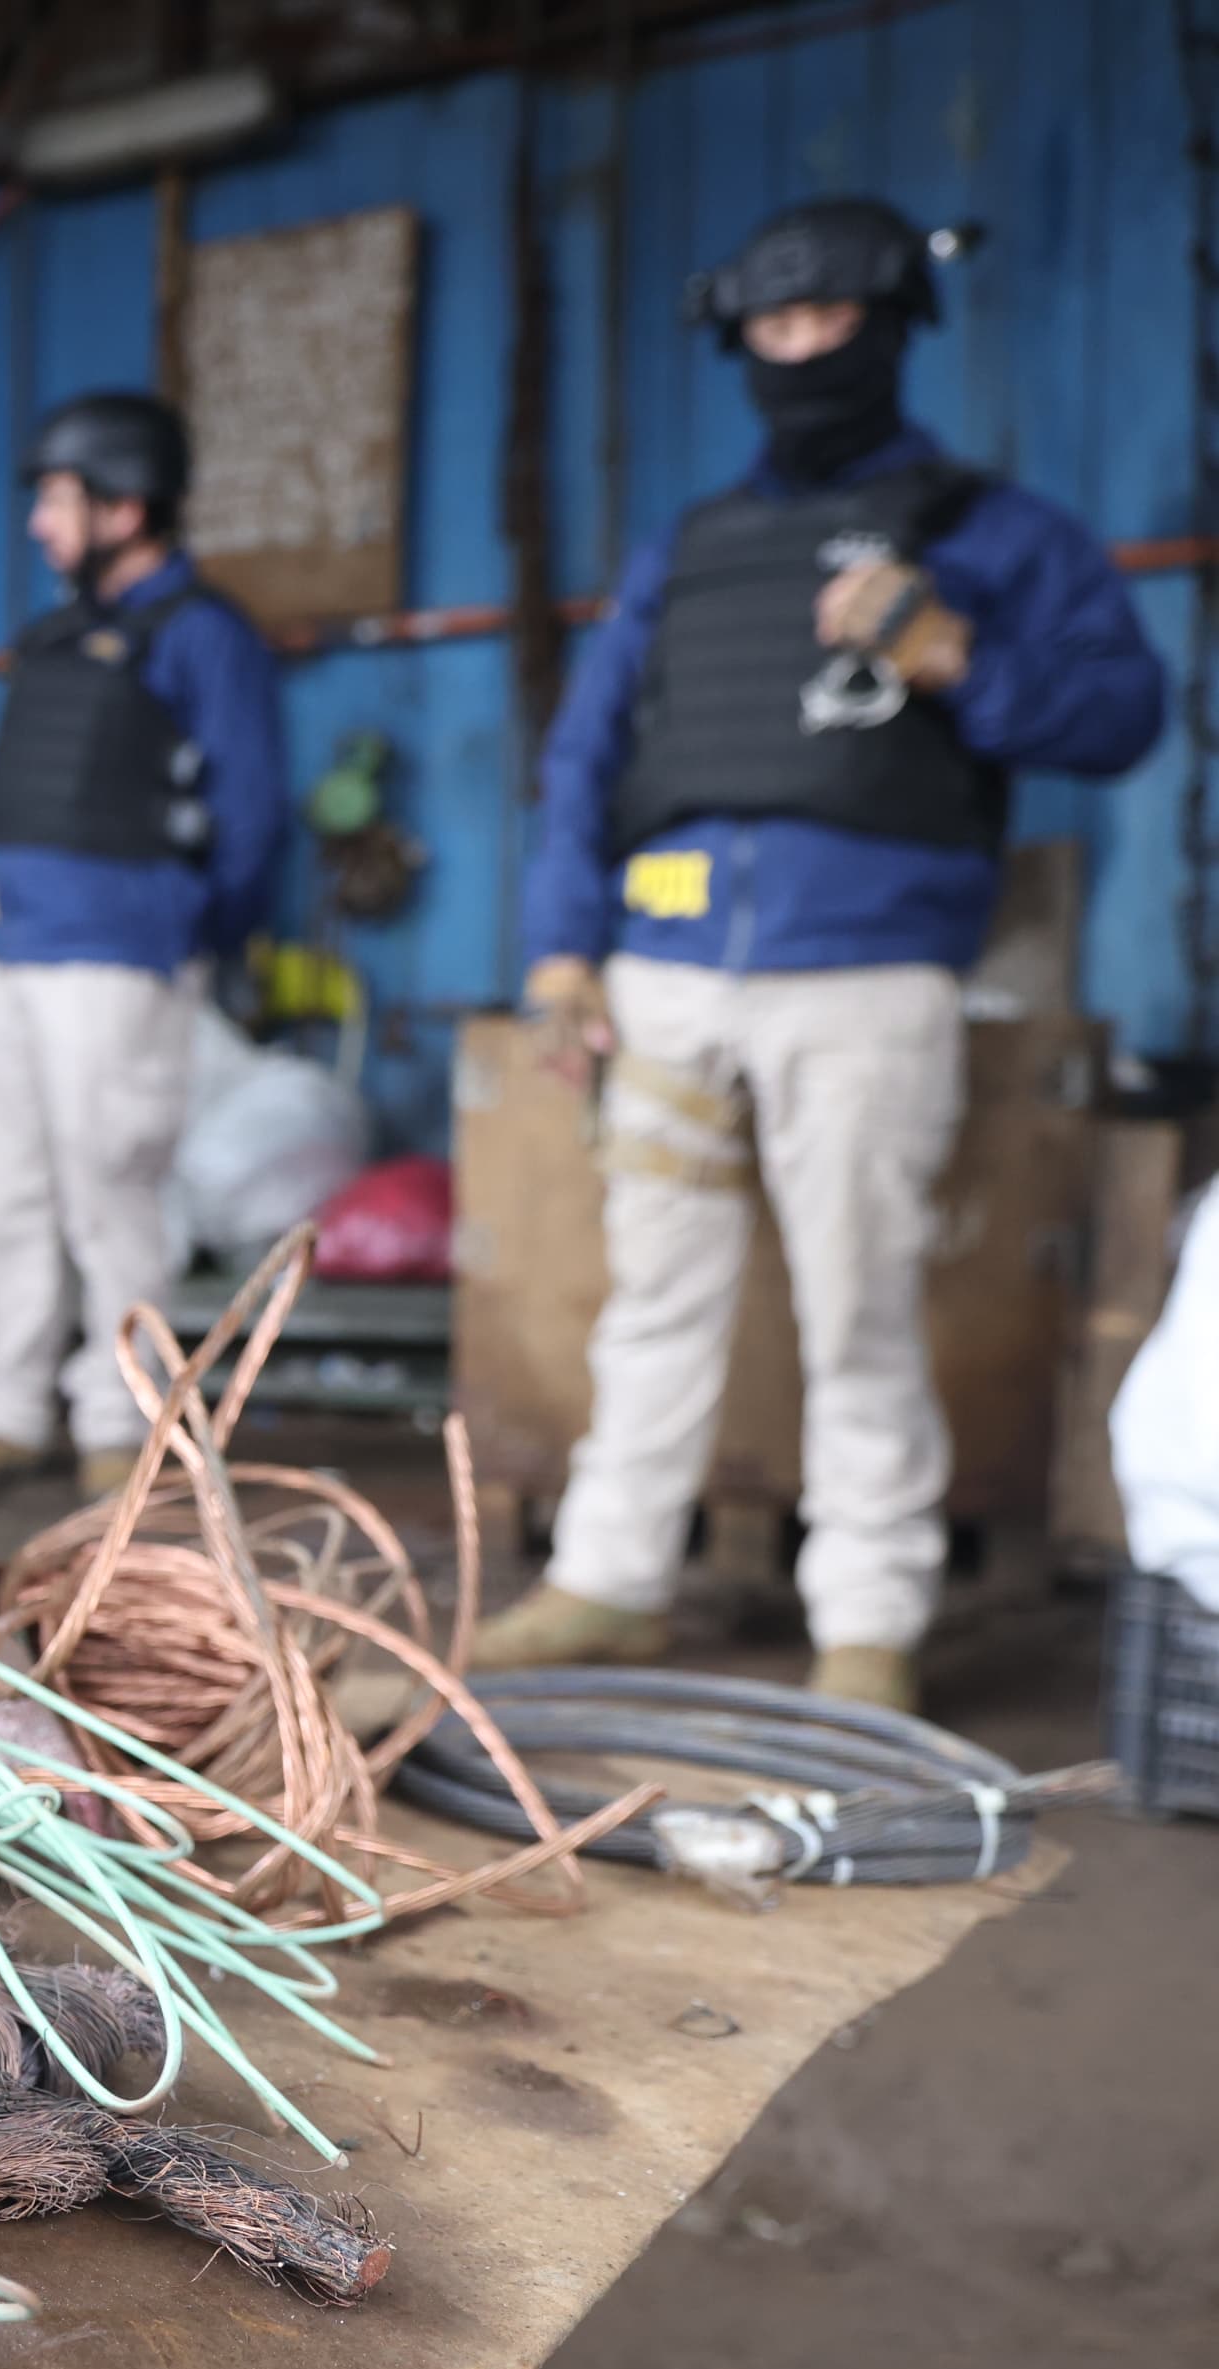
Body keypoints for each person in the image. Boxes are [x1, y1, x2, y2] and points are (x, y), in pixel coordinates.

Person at [483, 198, 1165, 1710]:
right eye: (771, 329)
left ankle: (869, 1617)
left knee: (861, 1301)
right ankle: (608, 1580)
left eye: (825, 322)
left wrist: (957, 656)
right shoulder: (688, 550)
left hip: (864, 975)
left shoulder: (990, 531)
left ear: (891, 326)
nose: (796, 352)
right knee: (651, 1293)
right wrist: (560, 951)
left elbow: (1124, 710)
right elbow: (585, 756)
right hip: (665, 972)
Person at [0, 391, 288, 1498]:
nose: (39, 523)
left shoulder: (202, 635)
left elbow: (251, 811)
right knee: (13, 1190)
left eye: (58, 499)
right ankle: (6, 1409)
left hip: (122, 959)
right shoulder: (53, 637)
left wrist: (190, 932)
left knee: (111, 1194)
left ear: (125, 506)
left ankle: (120, 1418)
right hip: (16, 950)